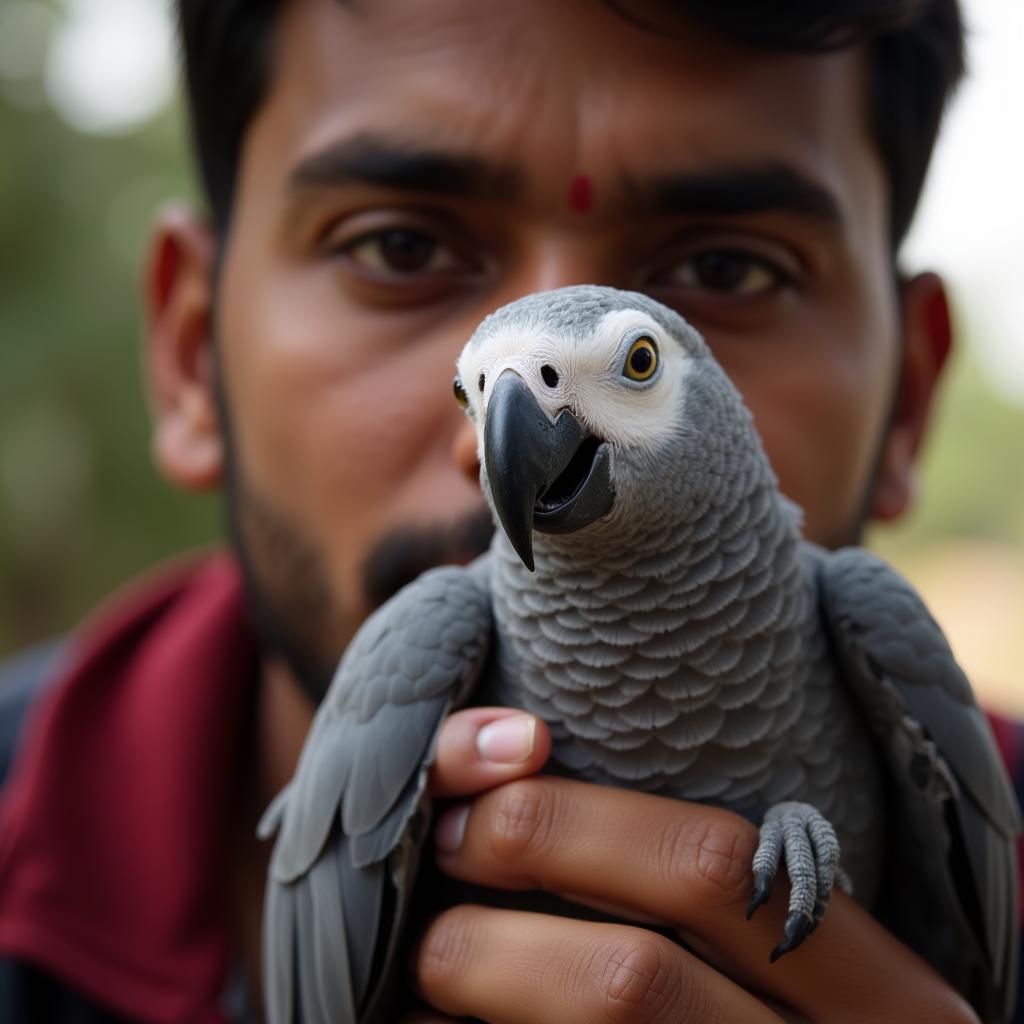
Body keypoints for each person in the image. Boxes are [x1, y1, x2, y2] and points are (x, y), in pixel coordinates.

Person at [0, 0, 1020, 1020]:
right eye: (397, 246)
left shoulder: (911, 694)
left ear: (911, 397)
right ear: (188, 357)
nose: (479, 443)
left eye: (726, 269)